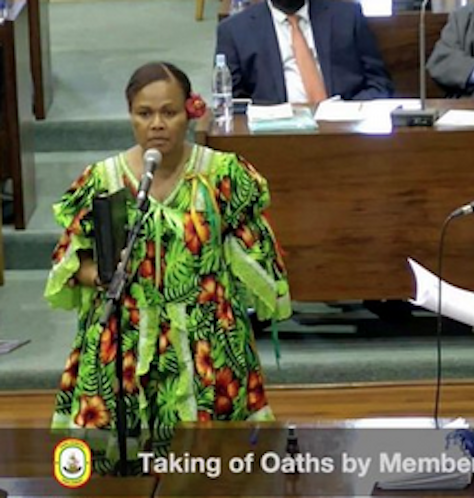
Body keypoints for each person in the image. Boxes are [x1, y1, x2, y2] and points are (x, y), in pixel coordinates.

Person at [45, 62, 291, 473]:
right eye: (144, 114)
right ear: (130, 116)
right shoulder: (102, 179)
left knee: (212, 476)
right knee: (118, 476)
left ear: (190, 111)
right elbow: (71, 262)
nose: (157, 124)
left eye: (169, 112)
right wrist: (102, 275)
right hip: (122, 341)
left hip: (207, 345)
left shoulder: (222, 175)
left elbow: (259, 252)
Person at [215, 0, 394, 104]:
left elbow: (379, 82)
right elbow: (232, 103)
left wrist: (349, 111)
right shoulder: (234, 31)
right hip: (275, 136)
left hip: (345, 128)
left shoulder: (347, 14)